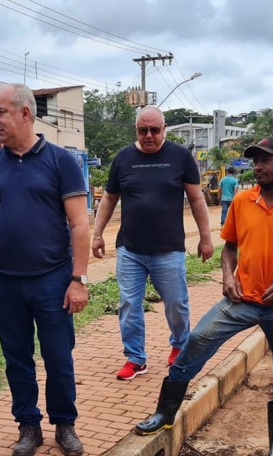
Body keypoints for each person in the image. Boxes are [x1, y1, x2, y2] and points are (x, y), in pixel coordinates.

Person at [135, 136, 273, 456]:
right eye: (255, 160)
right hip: (242, 298)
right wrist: (228, 276)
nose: (257, 166)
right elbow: (229, 247)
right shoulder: (243, 202)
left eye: (266, 160)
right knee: (198, 339)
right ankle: (164, 412)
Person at [0, 83, 90, 456]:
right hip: (5, 280)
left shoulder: (60, 161)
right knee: (16, 357)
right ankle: (28, 426)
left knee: (58, 355)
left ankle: (64, 424)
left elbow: (79, 225)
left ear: (24, 113)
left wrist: (78, 279)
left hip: (53, 279)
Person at [92, 105, 213, 381]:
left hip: (168, 250)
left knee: (176, 304)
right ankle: (135, 359)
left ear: (164, 128)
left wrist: (206, 237)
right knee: (129, 305)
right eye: (143, 130)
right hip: (130, 249)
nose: (149, 135)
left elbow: (196, 199)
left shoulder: (180, 157)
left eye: (154, 130)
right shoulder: (123, 158)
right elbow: (109, 198)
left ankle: (179, 344)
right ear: (136, 129)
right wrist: (97, 234)